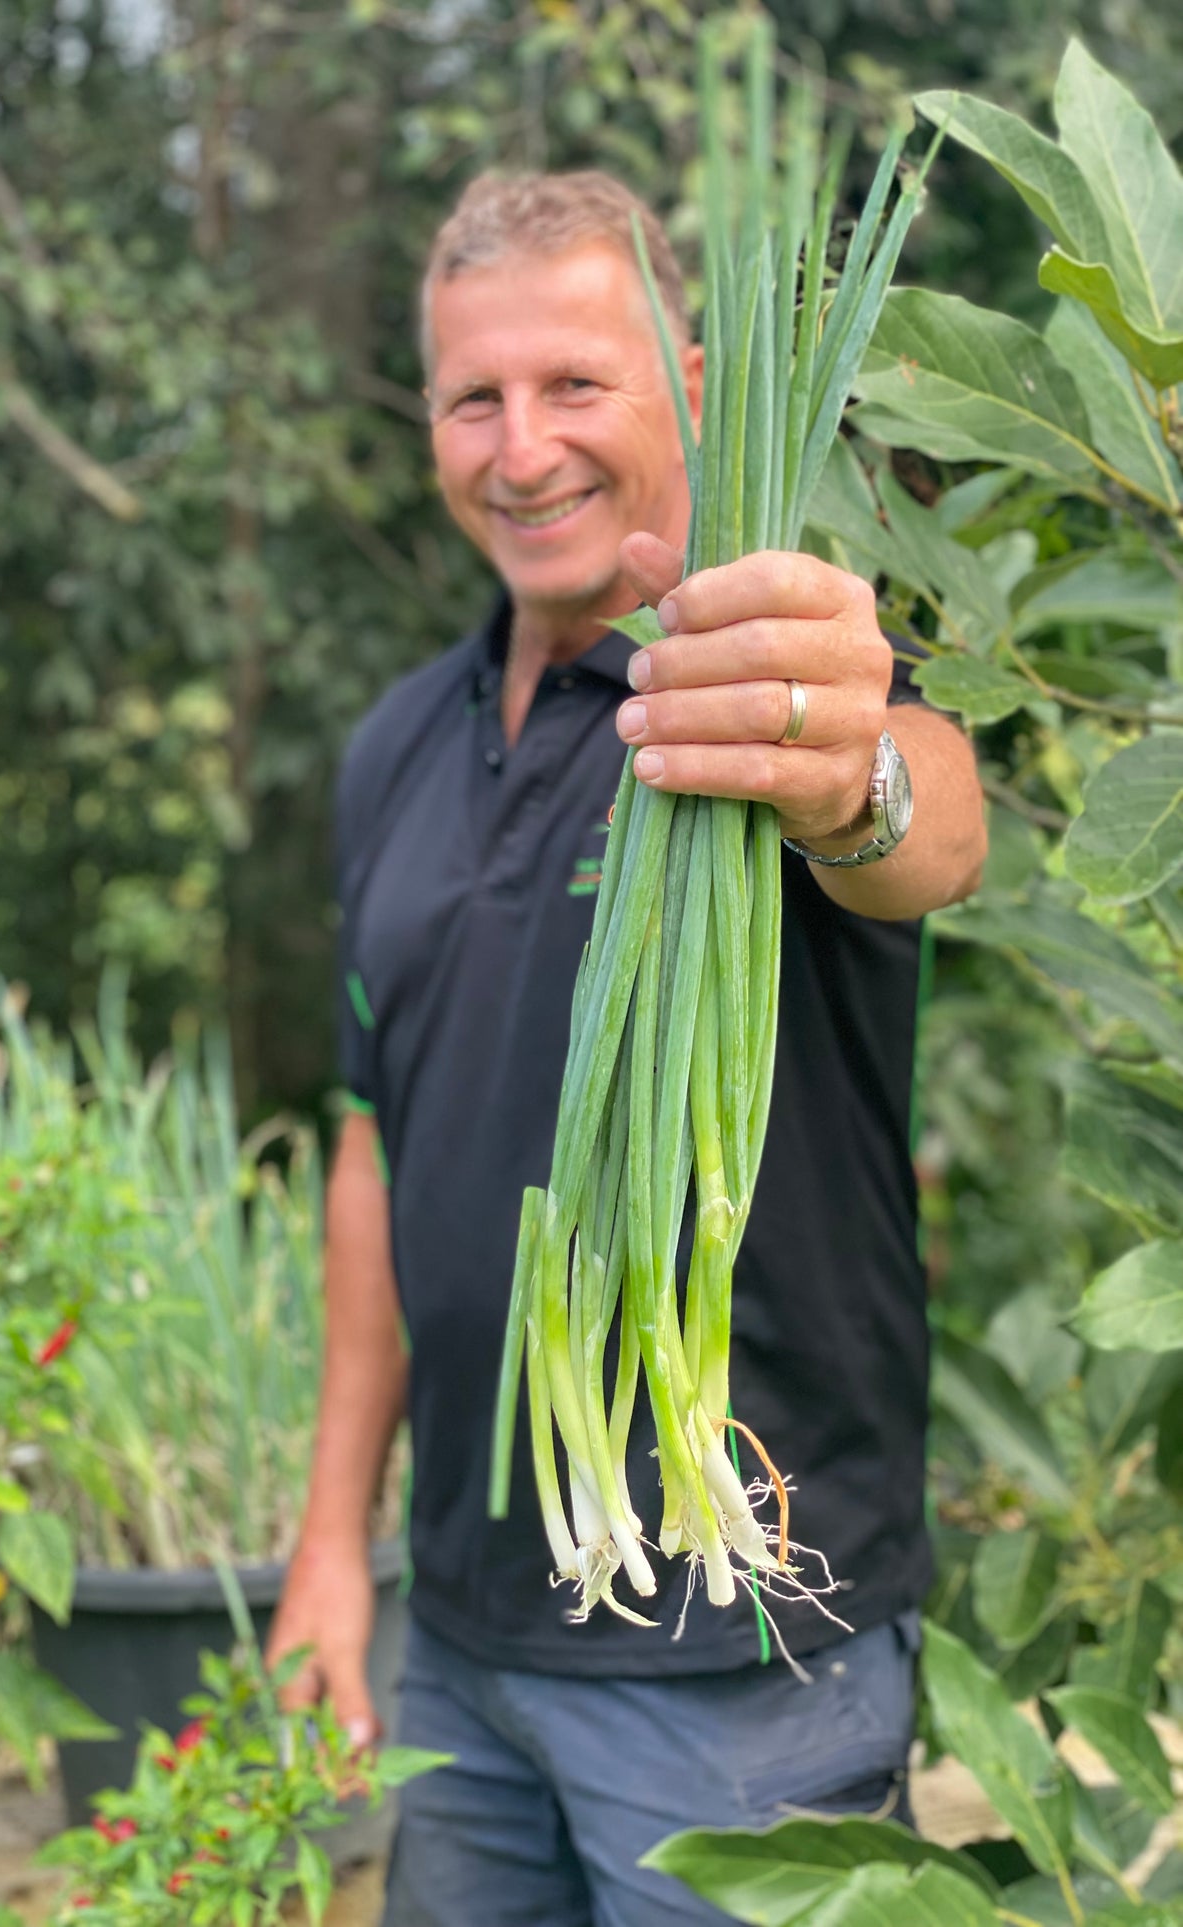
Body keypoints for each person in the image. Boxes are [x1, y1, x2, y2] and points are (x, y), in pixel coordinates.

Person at [266, 170, 987, 1927]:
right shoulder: (396, 751)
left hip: (744, 1655)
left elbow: (919, 820)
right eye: (472, 397)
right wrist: (327, 1556)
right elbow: (376, 1150)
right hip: (465, 1643)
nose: (521, 450)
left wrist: (850, 770)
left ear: (681, 367)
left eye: (573, 384)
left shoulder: (747, 676)